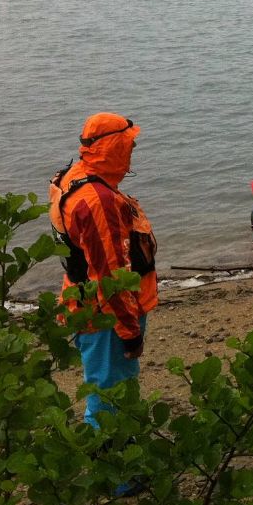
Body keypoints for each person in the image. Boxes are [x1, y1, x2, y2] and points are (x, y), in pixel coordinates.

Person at [49, 112, 158, 430]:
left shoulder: (74, 176)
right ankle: (119, 477)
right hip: (105, 317)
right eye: (129, 146)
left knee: (108, 388)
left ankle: (120, 461)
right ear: (113, 148)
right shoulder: (96, 202)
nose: (133, 152)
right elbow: (110, 277)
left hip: (88, 305)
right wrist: (130, 335)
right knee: (111, 396)